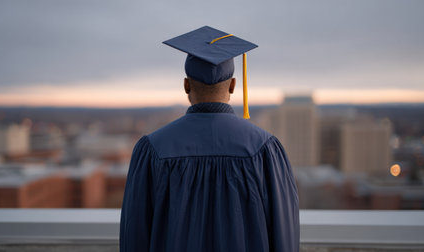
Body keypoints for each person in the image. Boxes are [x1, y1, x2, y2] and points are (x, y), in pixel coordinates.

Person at [120, 26, 300, 252]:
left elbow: (134, 235)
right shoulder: (264, 149)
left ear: (186, 85)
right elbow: (284, 235)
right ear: (233, 85)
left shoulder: (152, 149)